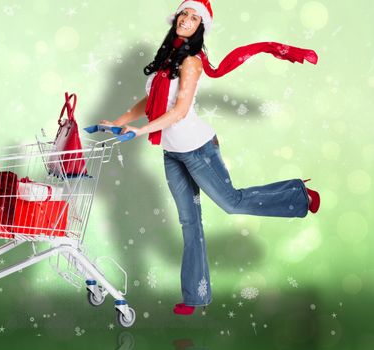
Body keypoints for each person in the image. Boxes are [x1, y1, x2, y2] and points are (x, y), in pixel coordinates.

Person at [99, 0, 321, 315]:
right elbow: (153, 99)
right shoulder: (167, 59)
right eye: (184, 14)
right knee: (190, 223)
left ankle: (297, 195)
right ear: (176, 18)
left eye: (194, 17)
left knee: (232, 202)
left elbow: (177, 111)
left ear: (201, 27)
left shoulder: (191, 62)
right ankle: (195, 296)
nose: (186, 20)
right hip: (172, 153)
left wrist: (138, 131)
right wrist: (120, 121)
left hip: (198, 148)